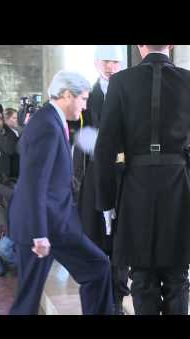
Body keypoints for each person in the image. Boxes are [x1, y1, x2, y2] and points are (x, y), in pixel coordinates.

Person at [92, 45, 190, 315]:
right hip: (177, 186)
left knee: (142, 277)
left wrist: (105, 201)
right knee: (176, 276)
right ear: (171, 45)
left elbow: (105, 146)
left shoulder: (120, 82)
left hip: (136, 187)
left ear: (140, 46)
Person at [8, 70, 113, 315]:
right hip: (43, 228)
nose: (85, 106)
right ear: (67, 95)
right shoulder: (47, 124)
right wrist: (39, 234)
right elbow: (35, 182)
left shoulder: (51, 120)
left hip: (55, 223)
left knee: (97, 268)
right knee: (27, 300)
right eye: (83, 99)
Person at [74, 45, 129, 315]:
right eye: (107, 62)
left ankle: (119, 296)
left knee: (122, 239)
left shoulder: (130, 92)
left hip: (125, 174)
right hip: (96, 174)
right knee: (97, 237)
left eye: (116, 63)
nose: (111, 67)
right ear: (96, 63)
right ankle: (101, 296)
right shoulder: (86, 96)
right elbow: (79, 136)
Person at [3, 108, 21, 179]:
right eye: (14, 118)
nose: (16, 120)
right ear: (6, 119)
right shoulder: (5, 133)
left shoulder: (15, 131)